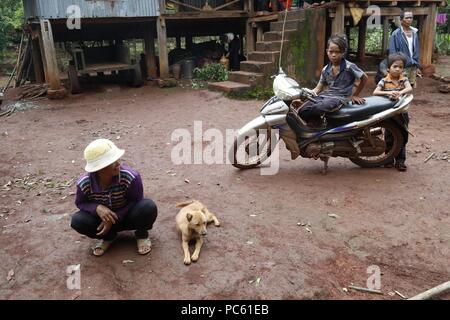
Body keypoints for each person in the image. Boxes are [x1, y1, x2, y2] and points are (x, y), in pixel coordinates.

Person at [70, 139, 158, 256]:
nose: (118, 164)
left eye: (117, 159)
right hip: (102, 222)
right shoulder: (84, 183)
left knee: (147, 207)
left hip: (127, 216)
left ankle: (142, 234)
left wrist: (113, 218)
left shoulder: (131, 176)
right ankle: (109, 237)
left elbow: (136, 200)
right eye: (112, 162)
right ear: (99, 168)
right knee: (77, 220)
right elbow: (80, 203)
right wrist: (97, 208)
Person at [297, 34, 368, 128]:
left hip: (339, 98)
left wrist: (355, 94)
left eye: (337, 52)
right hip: (325, 96)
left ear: (343, 52)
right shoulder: (325, 69)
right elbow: (318, 88)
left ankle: (319, 123)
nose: (334, 55)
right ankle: (317, 123)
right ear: (327, 51)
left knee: (318, 107)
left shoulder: (349, 67)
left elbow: (364, 78)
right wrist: (308, 94)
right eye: (331, 51)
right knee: (301, 111)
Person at [373, 53, 412, 172]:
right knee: (389, 136)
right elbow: (376, 92)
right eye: (395, 66)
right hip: (388, 114)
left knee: (402, 135)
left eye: (400, 67)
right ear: (388, 68)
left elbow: (409, 88)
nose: (398, 69)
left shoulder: (404, 79)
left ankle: (400, 161)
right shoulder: (384, 80)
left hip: (401, 114)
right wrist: (388, 93)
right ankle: (389, 160)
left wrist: (399, 93)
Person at [389, 10, 421, 88]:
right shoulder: (396, 34)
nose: (409, 20)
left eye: (411, 18)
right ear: (401, 20)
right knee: (400, 88)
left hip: (413, 65)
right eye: (407, 18)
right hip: (402, 66)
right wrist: (395, 67)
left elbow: (416, 51)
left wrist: (417, 66)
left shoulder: (414, 33)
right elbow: (393, 52)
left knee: (410, 87)